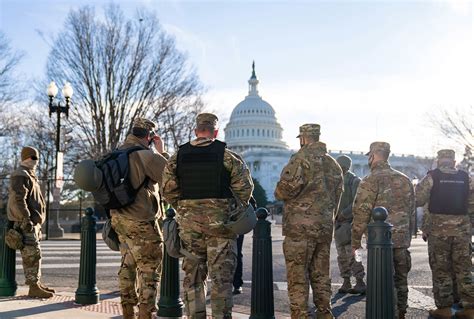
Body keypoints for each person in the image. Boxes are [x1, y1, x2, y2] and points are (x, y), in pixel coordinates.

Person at [162, 113, 253, 319]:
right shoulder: (227, 156)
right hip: (221, 228)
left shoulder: (177, 157)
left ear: (196, 131)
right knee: (221, 281)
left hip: (189, 229)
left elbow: (168, 190)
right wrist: (229, 210)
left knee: (193, 279)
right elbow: (245, 189)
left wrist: (186, 209)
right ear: (216, 132)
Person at [275, 124, 343, 319]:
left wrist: (279, 190)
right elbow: (337, 197)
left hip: (300, 229)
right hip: (323, 227)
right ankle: (324, 313)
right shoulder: (333, 164)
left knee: (297, 277)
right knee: (321, 275)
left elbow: (284, 190)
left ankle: (300, 315)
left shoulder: (299, 160)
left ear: (303, 138)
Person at [110, 118, 168, 319]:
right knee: (149, 270)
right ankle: (146, 313)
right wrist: (161, 152)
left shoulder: (116, 153)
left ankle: (127, 311)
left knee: (127, 264)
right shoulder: (147, 156)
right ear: (149, 137)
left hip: (118, 219)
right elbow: (170, 177)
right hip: (142, 221)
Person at [351, 141, 415, 319]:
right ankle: (401, 312)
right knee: (401, 280)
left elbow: (361, 213)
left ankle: (387, 314)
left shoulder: (370, 180)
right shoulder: (404, 179)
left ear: (372, 155)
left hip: (380, 242)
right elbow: (411, 212)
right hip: (401, 240)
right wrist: (407, 236)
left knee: (382, 281)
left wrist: (355, 242)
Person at [416, 149, 474, 319]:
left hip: (438, 231)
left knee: (441, 268)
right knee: (464, 268)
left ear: (439, 161)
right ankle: (470, 309)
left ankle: (444, 309)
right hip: (462, 231)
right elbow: (472, 204)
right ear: (454, 162)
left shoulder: (432, 176)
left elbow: (418, 199)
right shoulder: (466, 178)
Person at [7, 146, 54, 298]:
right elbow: (19, 199)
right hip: (25, 222)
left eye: (36, 158)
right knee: (31, 255)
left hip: (32, 223)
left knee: (36, 254)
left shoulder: (29, 174)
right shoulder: (20, 174)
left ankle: (37, 283)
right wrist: (26, 218)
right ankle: (33, 287)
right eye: (32, 158)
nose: (35, 161)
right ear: (25, 158)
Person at [334, 155, 366, 294]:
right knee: (341, 255)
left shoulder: (354, 181)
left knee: (355, 253)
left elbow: (357, 202)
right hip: (338, 225)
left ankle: (360, 281)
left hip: (351, 224)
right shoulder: (335, 180)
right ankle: (346, 281)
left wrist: (343, 214)